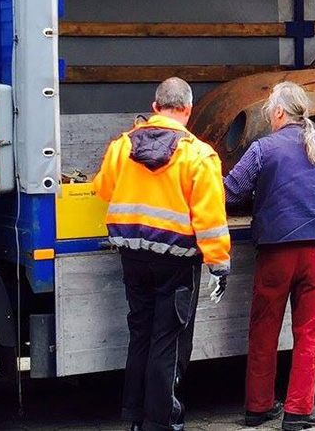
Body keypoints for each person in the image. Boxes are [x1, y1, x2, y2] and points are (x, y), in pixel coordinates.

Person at [93, 77, 231, 431]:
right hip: (177, 263)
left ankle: (136, 418)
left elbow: (102, 188)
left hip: (133, 258)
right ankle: (162, 423)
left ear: (155, 107)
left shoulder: (122, 146)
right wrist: (219, 264)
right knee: (168, 342)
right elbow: (210, 218)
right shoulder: (198, 155)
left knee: (140, 335)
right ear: (188, 109)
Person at [225, 82, 315, 431]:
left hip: (275, 252)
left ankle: (258, 407)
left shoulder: (262, 149)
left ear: (279, 112)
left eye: (270, 108)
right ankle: (298, 411)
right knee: (309, 334)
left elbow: (230, 193)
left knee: (263, 330)